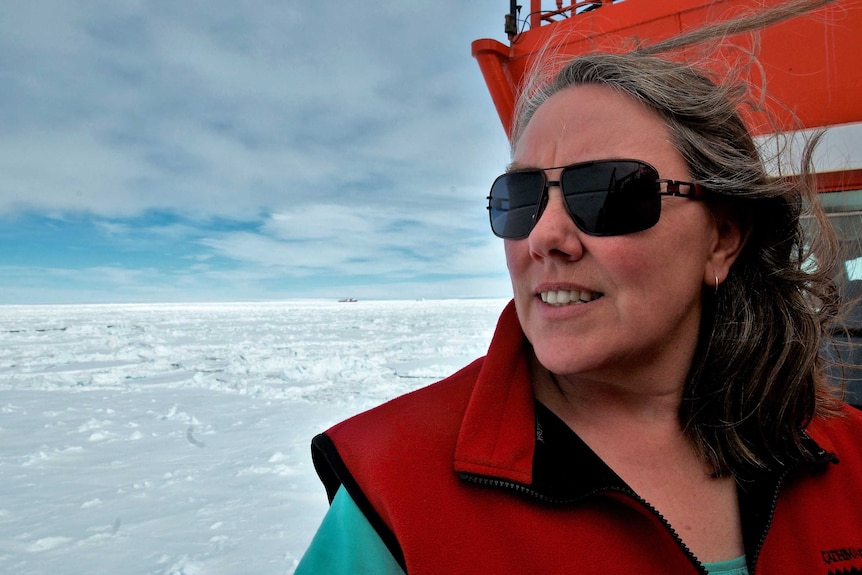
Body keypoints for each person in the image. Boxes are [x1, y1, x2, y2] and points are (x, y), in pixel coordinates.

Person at [296, 1, 862, 573]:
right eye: (520, 199)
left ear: (721, 238)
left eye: (609, 192)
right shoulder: (394, 493)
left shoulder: (847, 455)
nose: (544, 238)